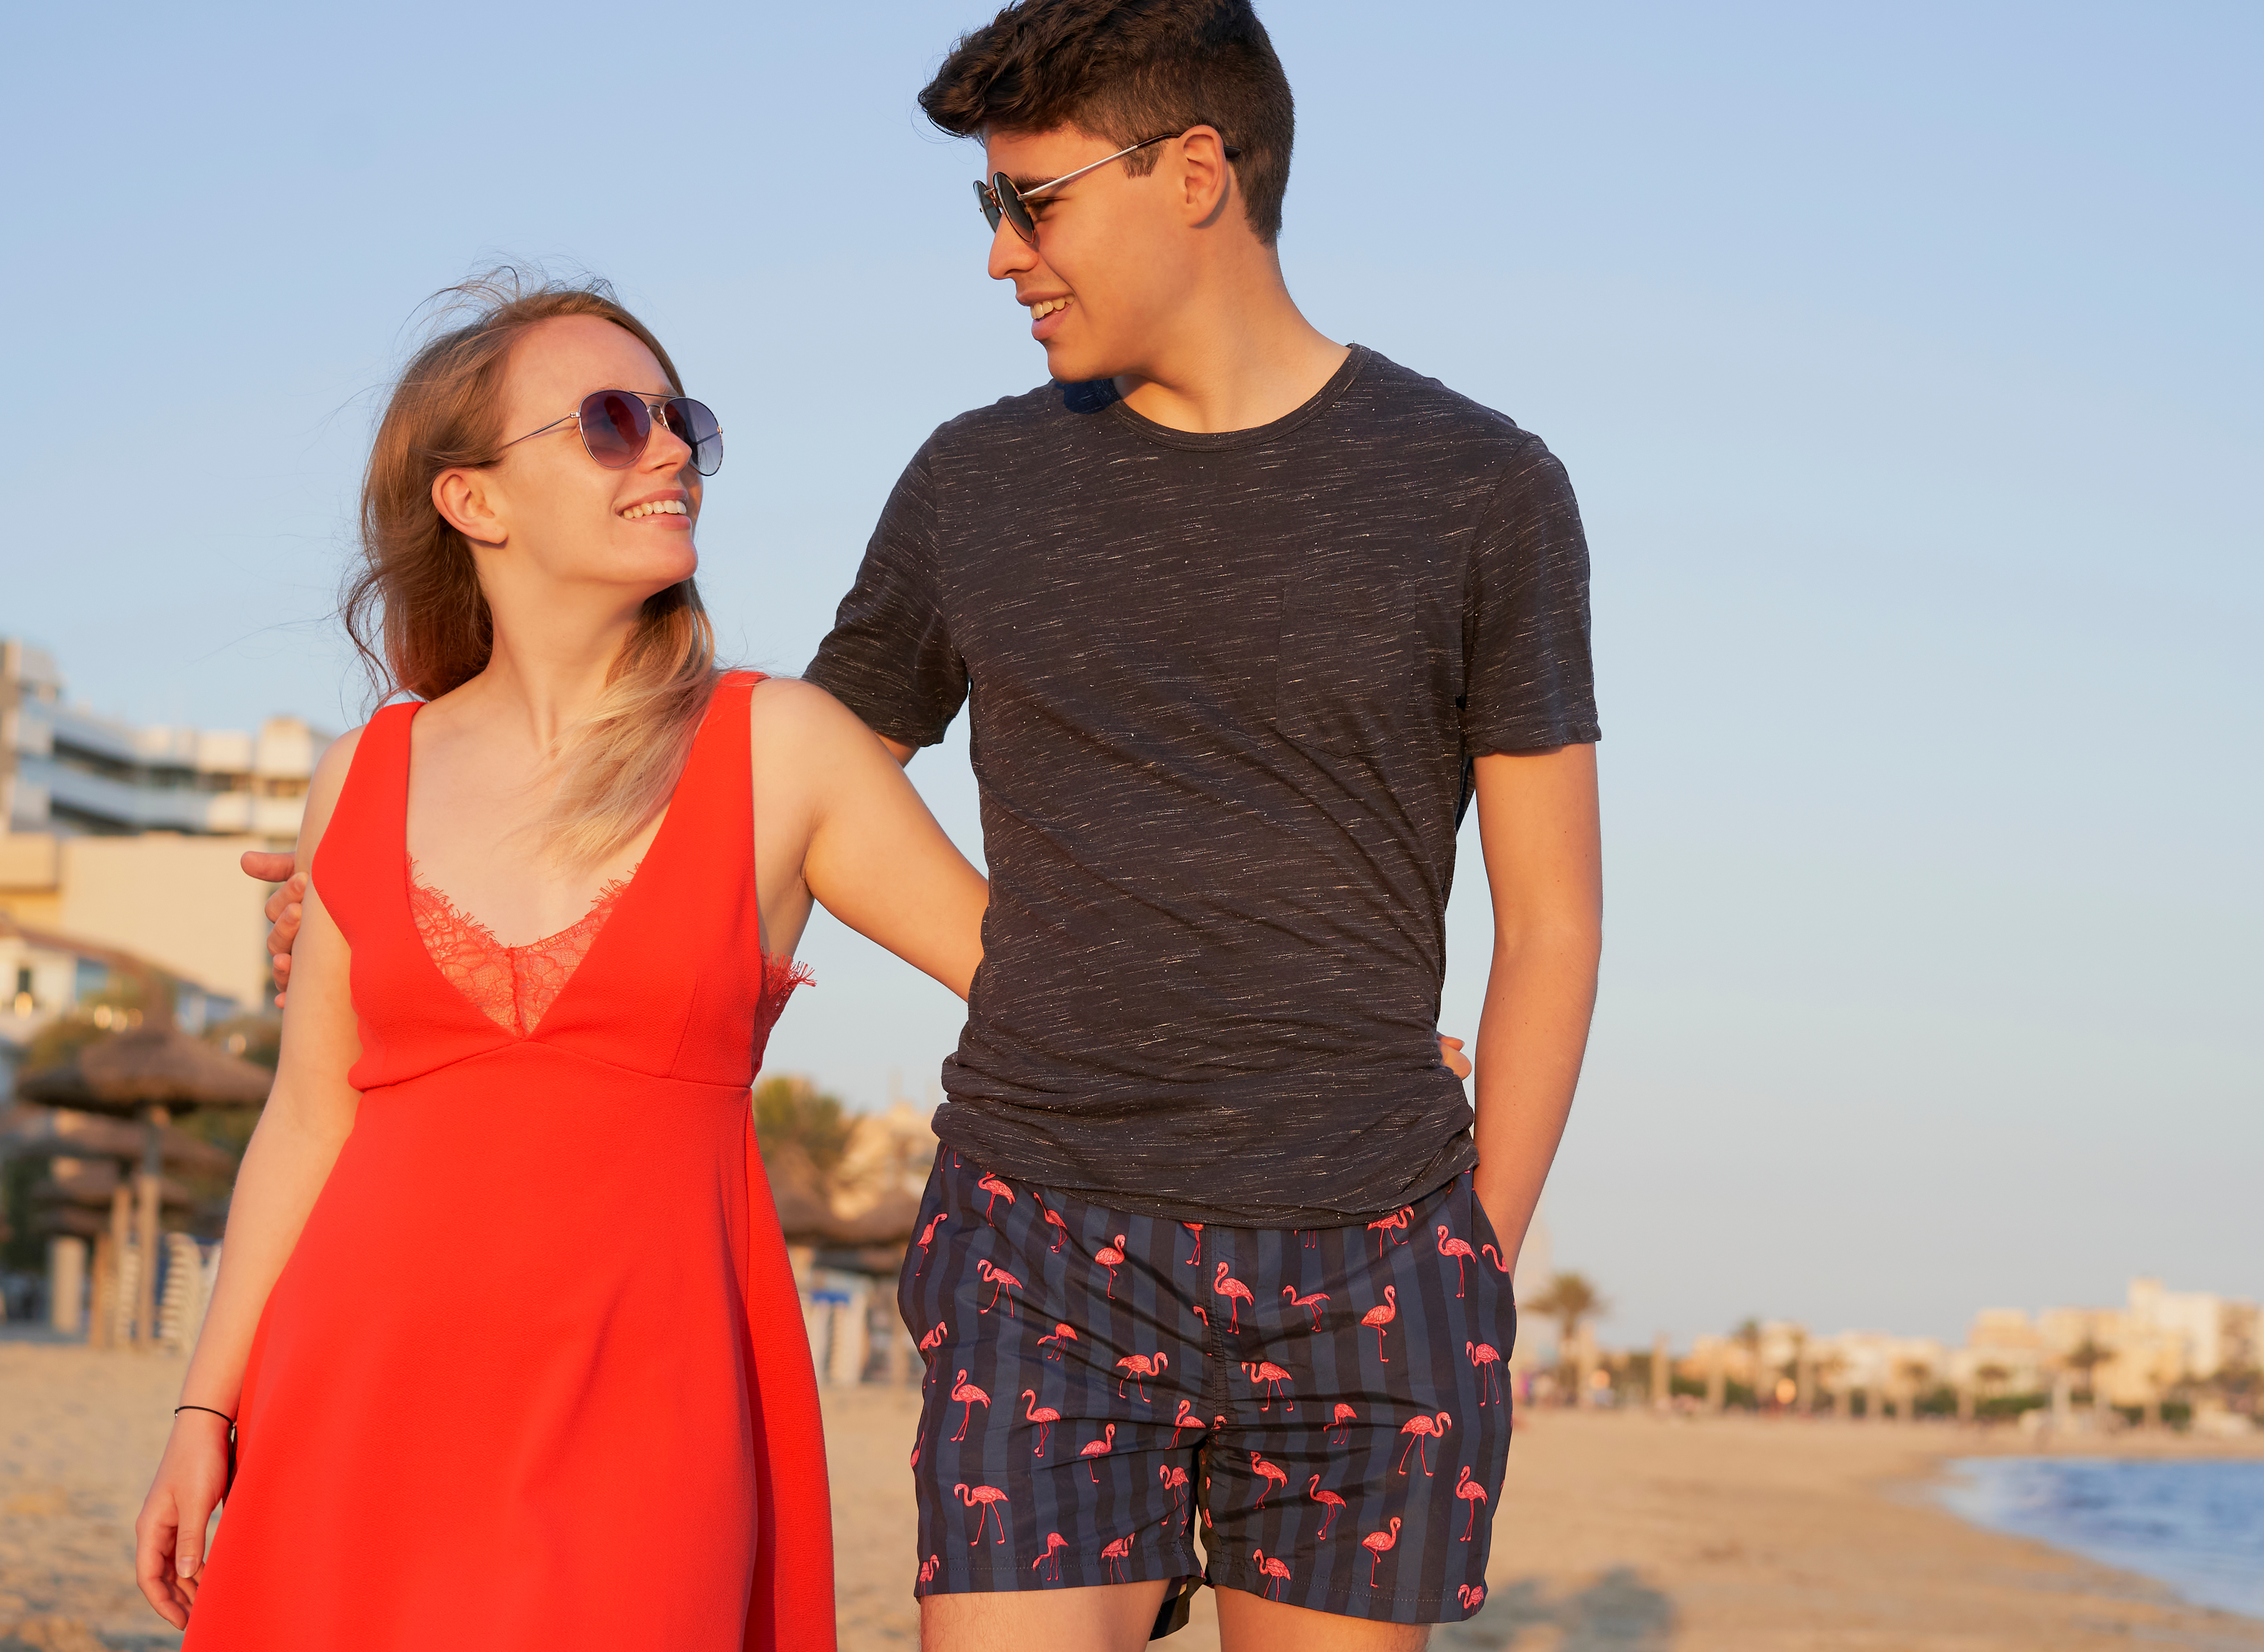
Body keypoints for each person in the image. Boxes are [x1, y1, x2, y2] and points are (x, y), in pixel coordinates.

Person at [253, 1, 1597, 1642]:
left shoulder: (1480, 488)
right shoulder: (973, 486)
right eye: (987, 209)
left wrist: (1478, 1246)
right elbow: (721, 786)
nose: (1000, 258)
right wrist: (393, 889)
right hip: (1041, 1228)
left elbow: (1550, 921)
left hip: (1372, 1251)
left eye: (1029, 204)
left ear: (1192, 175)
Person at [136, 275, 988, 1652]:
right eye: (609, 420)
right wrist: (202, 1413)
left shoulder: (783, 750)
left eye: (679, 421)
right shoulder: (361, 774)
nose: (666, 450)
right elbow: (306, 1119)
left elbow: (1040, 981)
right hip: (353, 1403)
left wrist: (1334, 1038)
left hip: (652, 1405)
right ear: (473, 500)